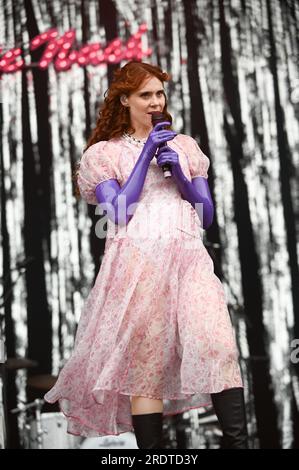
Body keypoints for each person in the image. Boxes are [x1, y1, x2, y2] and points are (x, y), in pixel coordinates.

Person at [44, 61, 248, 449]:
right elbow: (118, 212)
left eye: (159, 93)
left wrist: (183, 175)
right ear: (125, 100)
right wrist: (146, 154)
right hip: (138, 267)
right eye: (145, 95)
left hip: (189, 261)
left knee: (218, 346)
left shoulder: (184, 146)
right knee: (146, 370)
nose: (156, 102)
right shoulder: (103, 154)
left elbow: (206, 214)